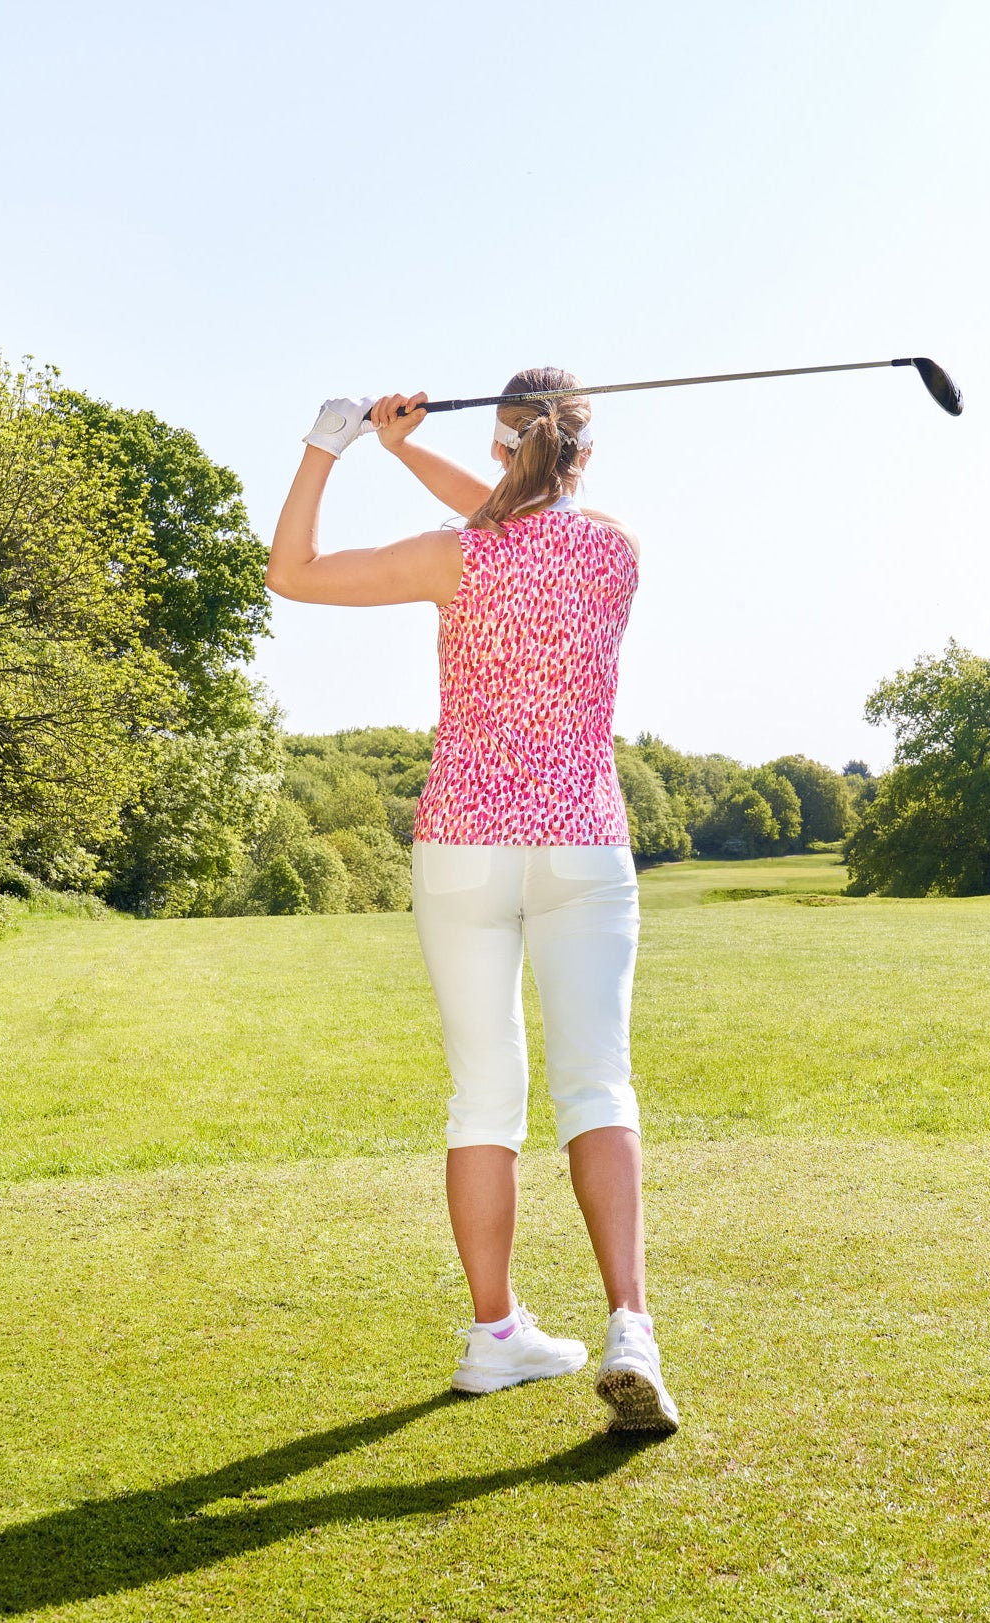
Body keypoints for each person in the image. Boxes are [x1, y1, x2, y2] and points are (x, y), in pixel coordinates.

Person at [266, 368, 678, 1434]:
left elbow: (294, 572)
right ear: (582, 450)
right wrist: (414, 453)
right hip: (584, 840)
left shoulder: (460, 554)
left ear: (499, 448)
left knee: (484, 1097)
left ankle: (497, 1337)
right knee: (600, 1087)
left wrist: (341, 445)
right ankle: (630, 1324)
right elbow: (526, 511)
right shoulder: (618, 551)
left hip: (463, 843)